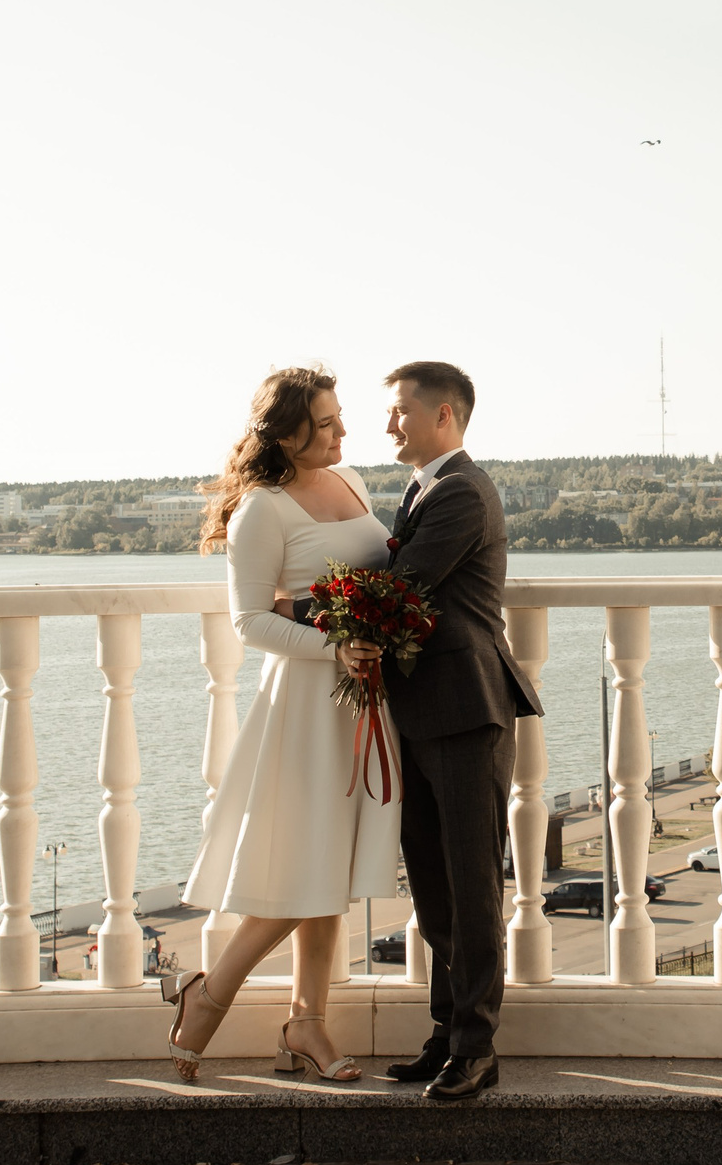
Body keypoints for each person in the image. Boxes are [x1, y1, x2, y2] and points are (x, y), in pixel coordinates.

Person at [162, 366, 398, 1083]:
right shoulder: (261, 509)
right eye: (325, 424)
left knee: (329, 868)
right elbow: (251, 620)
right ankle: (212, 992)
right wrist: (336, 643)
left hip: (365, 697)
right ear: (288, 430)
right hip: (305, 705)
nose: (342, 432)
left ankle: (306, 1024)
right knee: (309, 864)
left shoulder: (353, 479)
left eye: (339, 418)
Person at [343, 360, 541, 1101]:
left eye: (399, 410)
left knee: (471, 886)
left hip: (467, 711)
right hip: (423, 714)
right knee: (432, 889)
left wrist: (293, 612)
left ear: (445, 415)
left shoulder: (462, 492)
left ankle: (476, 1047)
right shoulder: (422, 488)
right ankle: (444, 1033)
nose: (388, 423)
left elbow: (401, 587)